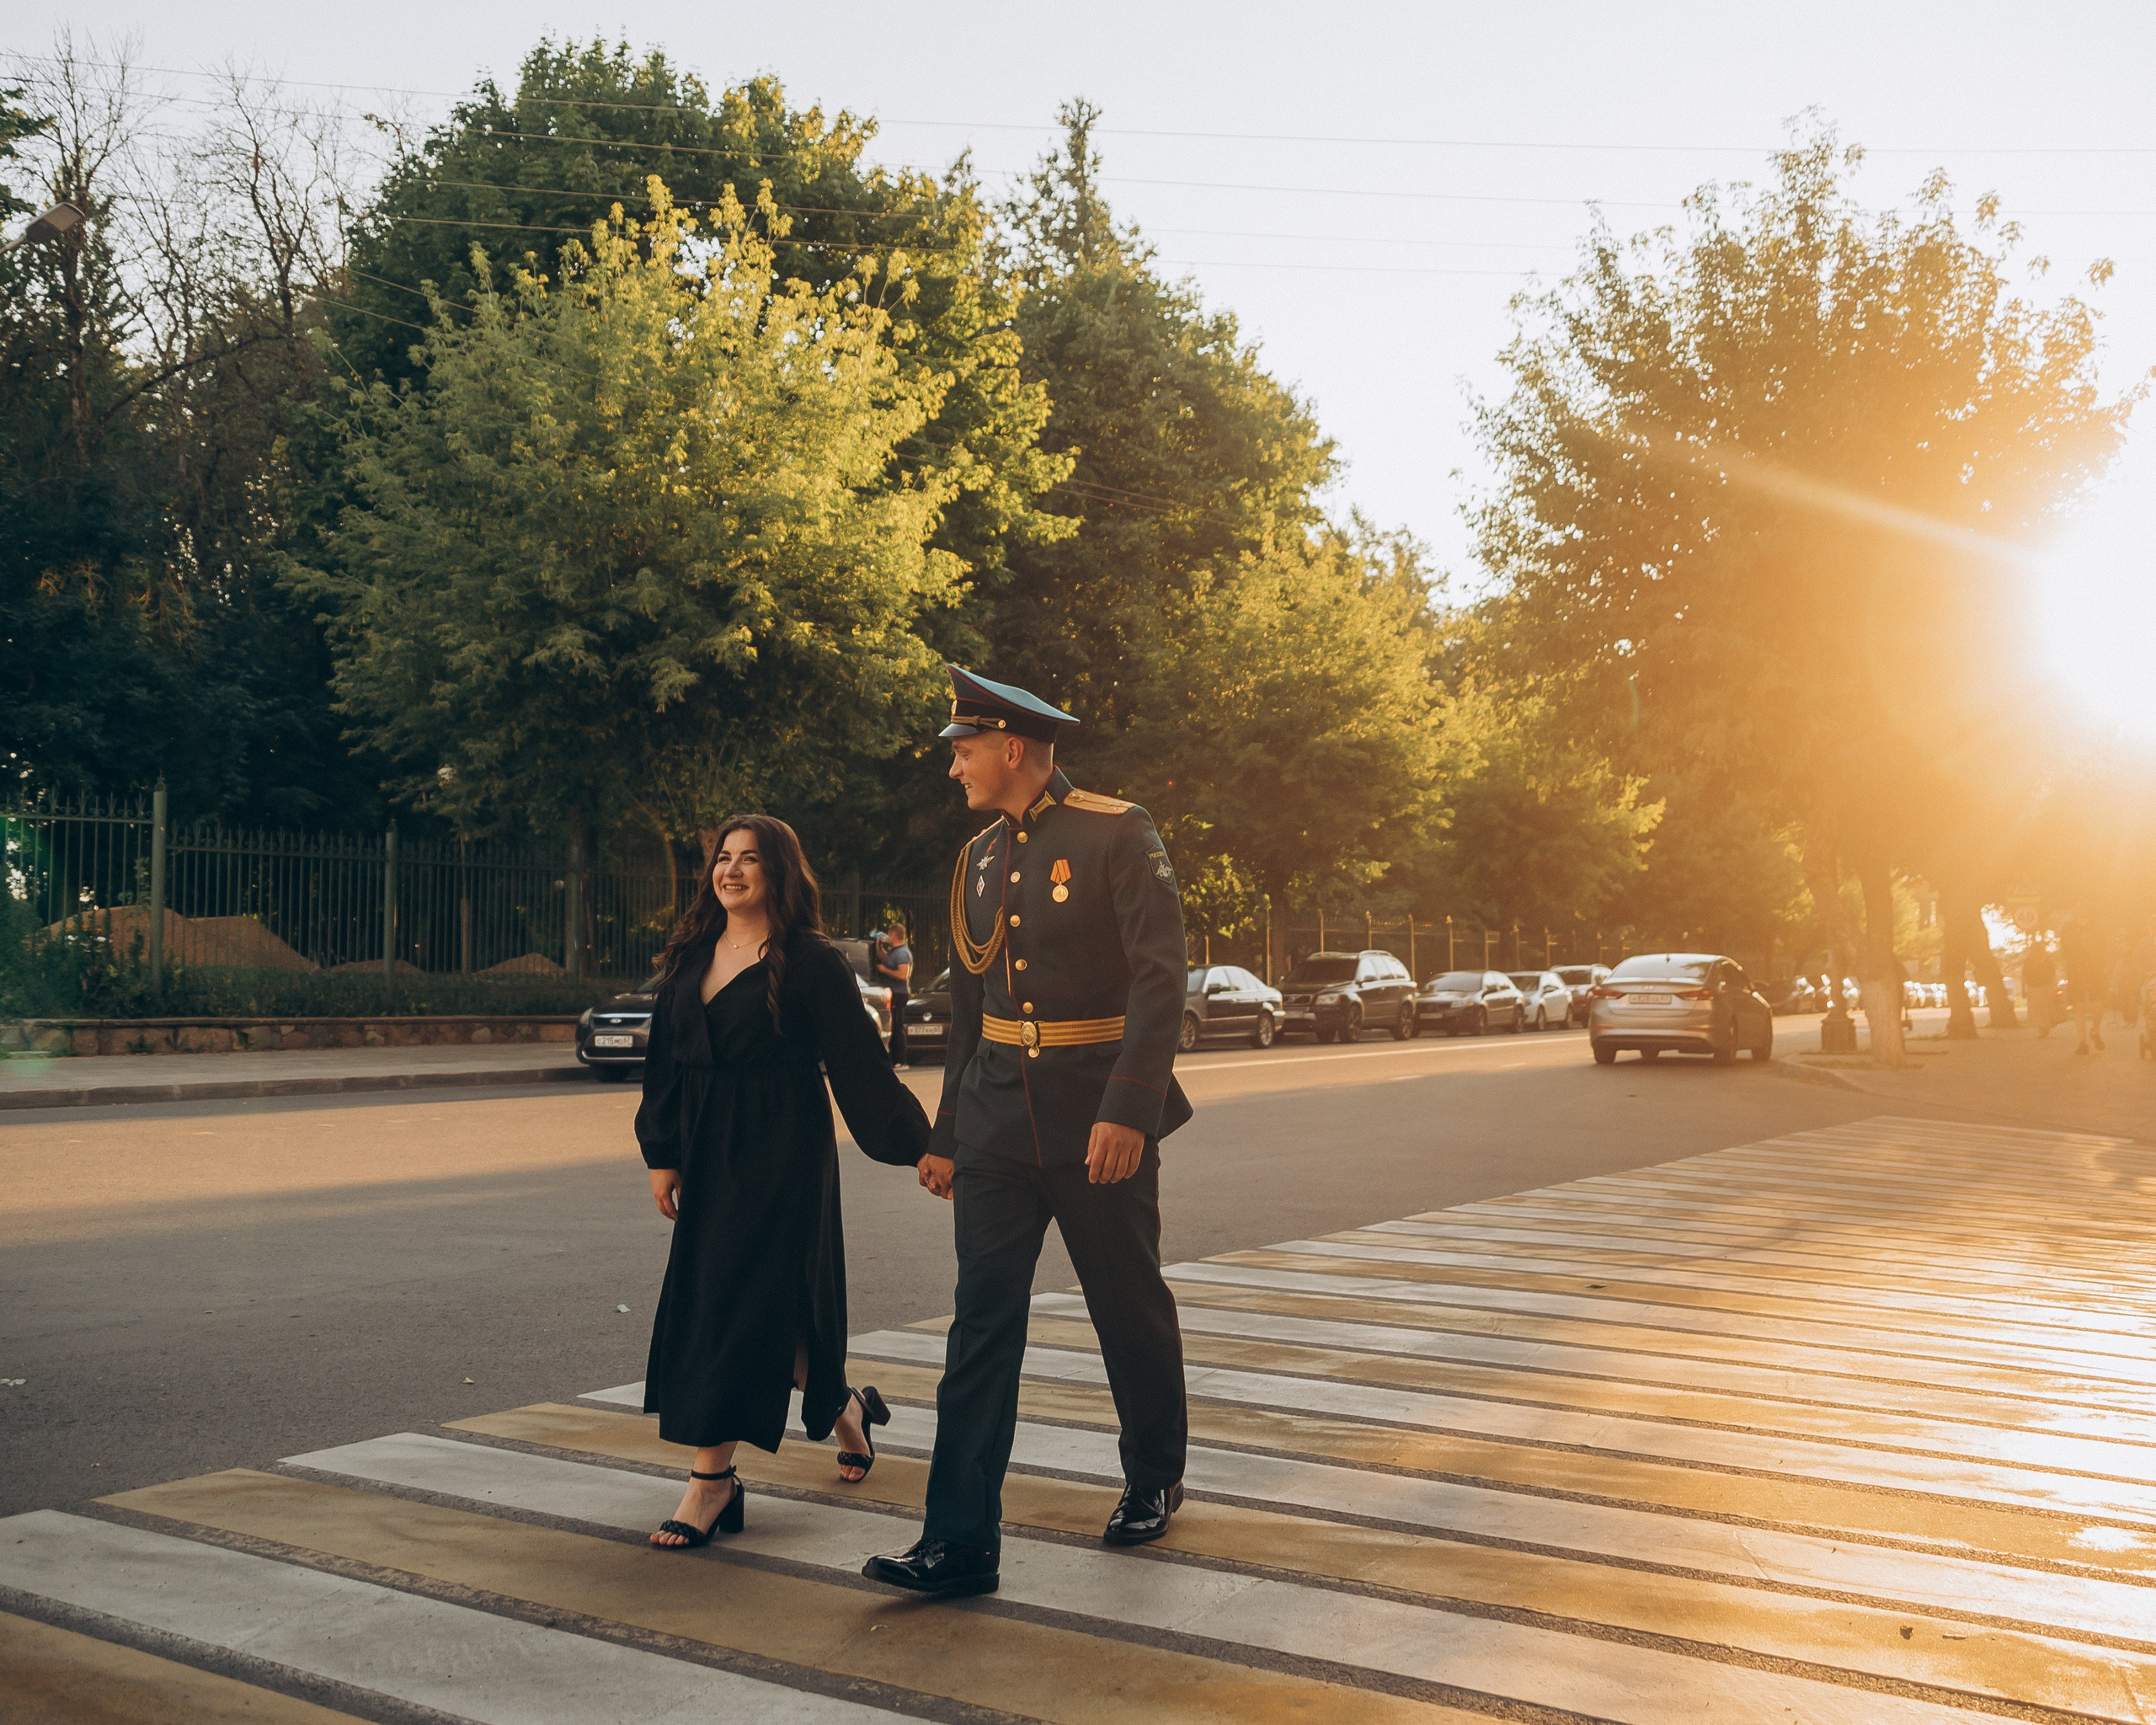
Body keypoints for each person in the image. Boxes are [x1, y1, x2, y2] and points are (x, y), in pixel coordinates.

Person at [862, 666, 1193, 1600]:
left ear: (1012, 747)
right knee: (980, 1323)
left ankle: (1153, 1473)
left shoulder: (1117, 831)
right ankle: (959, 1539)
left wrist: (1128, 1108)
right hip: (1000, 1121)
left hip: (1097, 1116)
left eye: (961, 750)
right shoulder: (974, 858)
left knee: (1125, 1301)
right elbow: (971, 1008)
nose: (952, 767)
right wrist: (947, 1130)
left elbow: (1159, 981)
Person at [637, 814, 938, 1549]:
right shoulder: (691, 954)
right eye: (722, 858)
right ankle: (850, 1415)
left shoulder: (810, 962)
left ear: (779, 872)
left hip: (781, 1150)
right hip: (710, 1150)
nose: (730, 870)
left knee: (734, 1302)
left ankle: (712, 1481)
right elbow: (668, 1060)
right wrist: (662, 1151)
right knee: (776, 1314)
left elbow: (862, 1069)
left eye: (747, 860)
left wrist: (926, 1149)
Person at [2057, 909, 2106, 1054]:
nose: (2081, 909)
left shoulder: (2097, 928)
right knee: (2078, 1006)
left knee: (2098, 1006)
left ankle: (2095, 1031)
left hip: (2095, 971)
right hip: (2076, 971)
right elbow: (2064, 949)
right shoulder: (2068, 929)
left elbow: (2103, 948)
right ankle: (2083, 1042)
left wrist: (2103, 965)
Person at [875, 921, 915, 1067]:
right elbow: (885, 958)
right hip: (892, 993)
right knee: (892, 1025)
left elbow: (903, 975)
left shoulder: (903, 953)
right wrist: (879, 945)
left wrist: (885, 971)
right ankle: (893, 1058)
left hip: (899, 993)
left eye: (889, 934)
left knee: (897, 1025)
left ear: (894, 935)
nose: (888, 936)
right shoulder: (894, 951)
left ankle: (901, 1059)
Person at [2022, 941, 2060, 1038]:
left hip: (2038, 987)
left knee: (2039, 1009)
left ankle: (2043, 1028)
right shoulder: (2046, 960)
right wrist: (2055, 987)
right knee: (2043, 1008)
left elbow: (2024, 976)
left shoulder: (2030, 961)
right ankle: (2043, 1028)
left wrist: (2024, 988)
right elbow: (2053, 975)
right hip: (2041, 987)